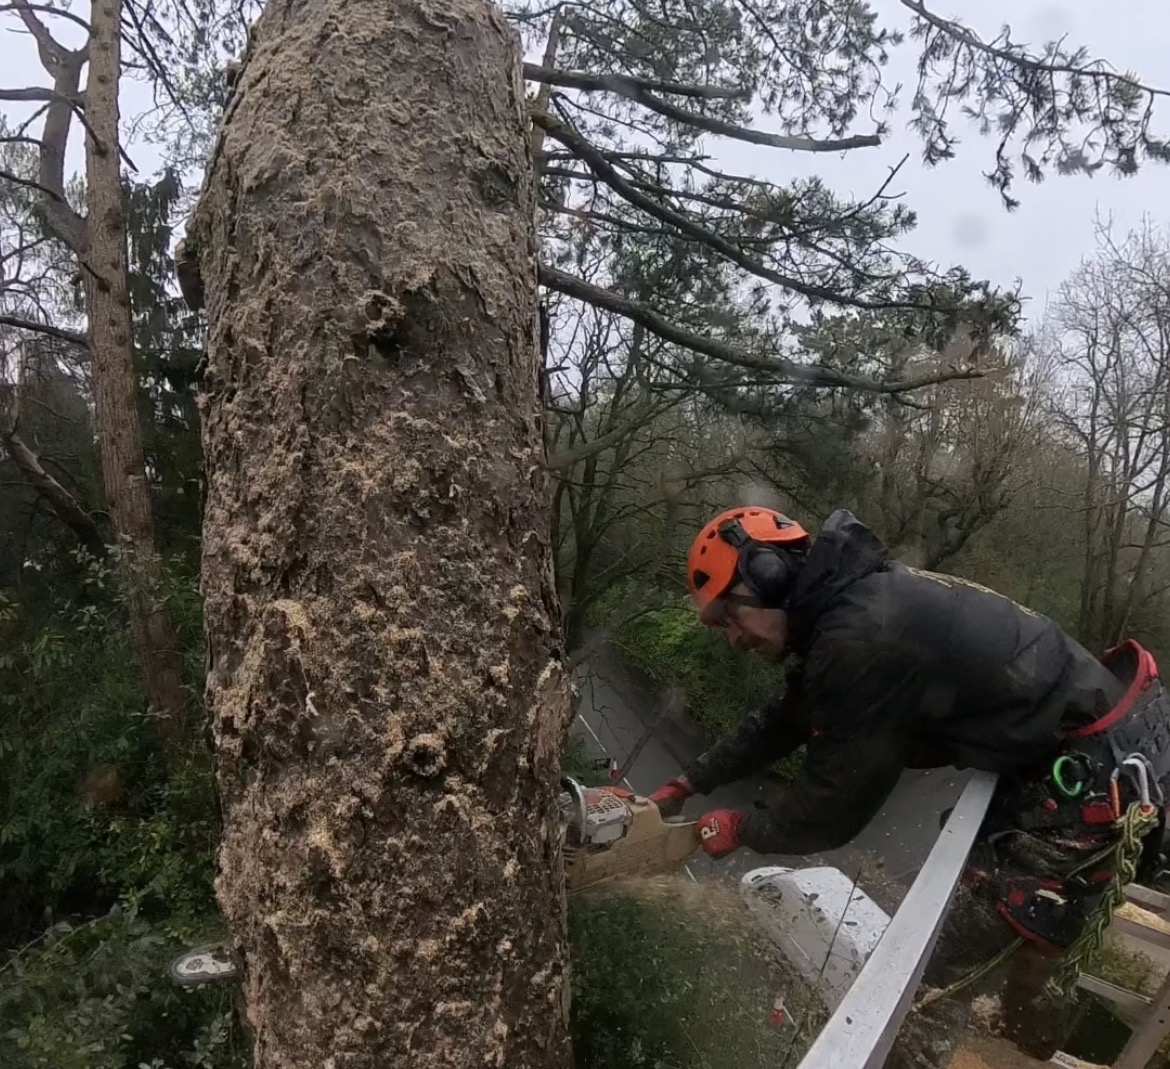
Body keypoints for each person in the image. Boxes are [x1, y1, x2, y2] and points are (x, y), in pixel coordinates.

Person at [648, 504, 1170, 962]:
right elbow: (787, 719)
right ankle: (1029, 1023)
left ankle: (1000, 1031)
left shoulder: (861, 639)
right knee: (987, 916)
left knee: (930, 967)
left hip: (1097, 774)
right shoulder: (861, 605)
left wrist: (742, 829)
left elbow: (828, 813)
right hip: (1104, 740)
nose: (734, 639)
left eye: (729, 619)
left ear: (770, 575)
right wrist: (690, 783)